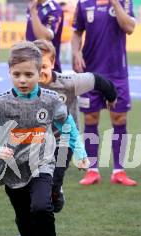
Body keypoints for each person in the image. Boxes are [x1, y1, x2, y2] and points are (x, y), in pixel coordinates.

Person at [0, 41, 89, 236]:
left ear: (40, 73)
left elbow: (68, 126)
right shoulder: (1, 103)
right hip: (13, 169)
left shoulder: (50, 100)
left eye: (29, 74)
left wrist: (80, 153)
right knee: (24, 219)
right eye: (17, 75)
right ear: (10, 74)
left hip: (43, 163)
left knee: (41, 207)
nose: (23, 80)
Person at [34, 39, 117, 212]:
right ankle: (30, 227)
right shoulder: (25, 86)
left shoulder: (68, 83)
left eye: (43, 66)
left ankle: (56, 191)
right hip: (35, 143)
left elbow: (97, 80)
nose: (39, 72)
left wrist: (111, 96)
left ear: (53, 63)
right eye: (34, 67)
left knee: (51, 182)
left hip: (64, 141)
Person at [72, 0, 137, 186]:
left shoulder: (124, 2)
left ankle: (119, 171)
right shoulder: (83, 4)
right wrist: (76, 52)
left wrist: (115, 4)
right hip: (90, 72)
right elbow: (76, 32)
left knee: (119, 119)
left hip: (117, 73)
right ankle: (92, 170)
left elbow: (129, 27)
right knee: (90, 119)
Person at [26, 0, 63, 72]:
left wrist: (33, 12)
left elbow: (44, 37)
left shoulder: (54, 9)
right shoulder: (32, 6)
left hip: (48, 68)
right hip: (31, 64)